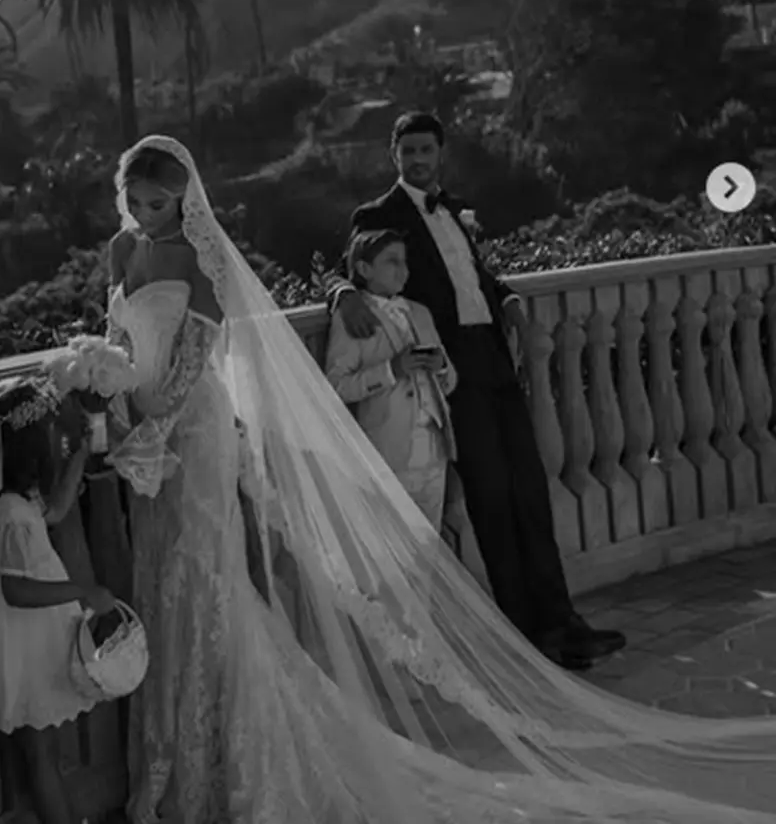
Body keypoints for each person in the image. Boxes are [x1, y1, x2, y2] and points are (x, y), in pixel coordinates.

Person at [98, 132, 776, 824]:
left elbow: (193, 361)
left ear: (186, 200)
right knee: (164, 579)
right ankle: (176, 754)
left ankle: (242, 751)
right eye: (138, 200)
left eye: (162, 202)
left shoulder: (201, 258)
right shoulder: (123, 252)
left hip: (204, 428)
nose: (148, 213)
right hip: (147, 434)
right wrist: (118, 404)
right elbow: (123, 339)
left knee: (211, 579)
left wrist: (147, 422)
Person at [326, 110, 623, 671]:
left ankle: (563, 622)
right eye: (407, 151)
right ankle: (525, 636)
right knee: (491, 499)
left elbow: (473, 276)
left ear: (440, 153)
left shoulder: (454, 212)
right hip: (447, 368)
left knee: (530, 490)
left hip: (493, 358)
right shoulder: (378, 214)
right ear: (394, 155)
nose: (417, 159)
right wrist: (343, 292)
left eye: (426, 150)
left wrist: (507, 298)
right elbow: (345, 267)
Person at [0, 374, 117, 824]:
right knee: (42, 758)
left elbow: (56, 510)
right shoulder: (12, 515)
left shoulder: (7, 500)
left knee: (35, 755)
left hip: (16, 642)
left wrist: (79, 451)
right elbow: (15, 588)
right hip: (20, 642)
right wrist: (83, 591)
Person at [325, 228, 457, 532]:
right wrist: (391, 371)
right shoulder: (352, 317)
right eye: (392, 261)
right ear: (364, 269)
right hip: (389, 448)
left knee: (430, 545)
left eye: (405, 261)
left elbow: (451, 382)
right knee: (396, 544)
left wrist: (441, 367)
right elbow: (336, 386)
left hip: (435, 447)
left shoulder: (420, 312)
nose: (403, 269)